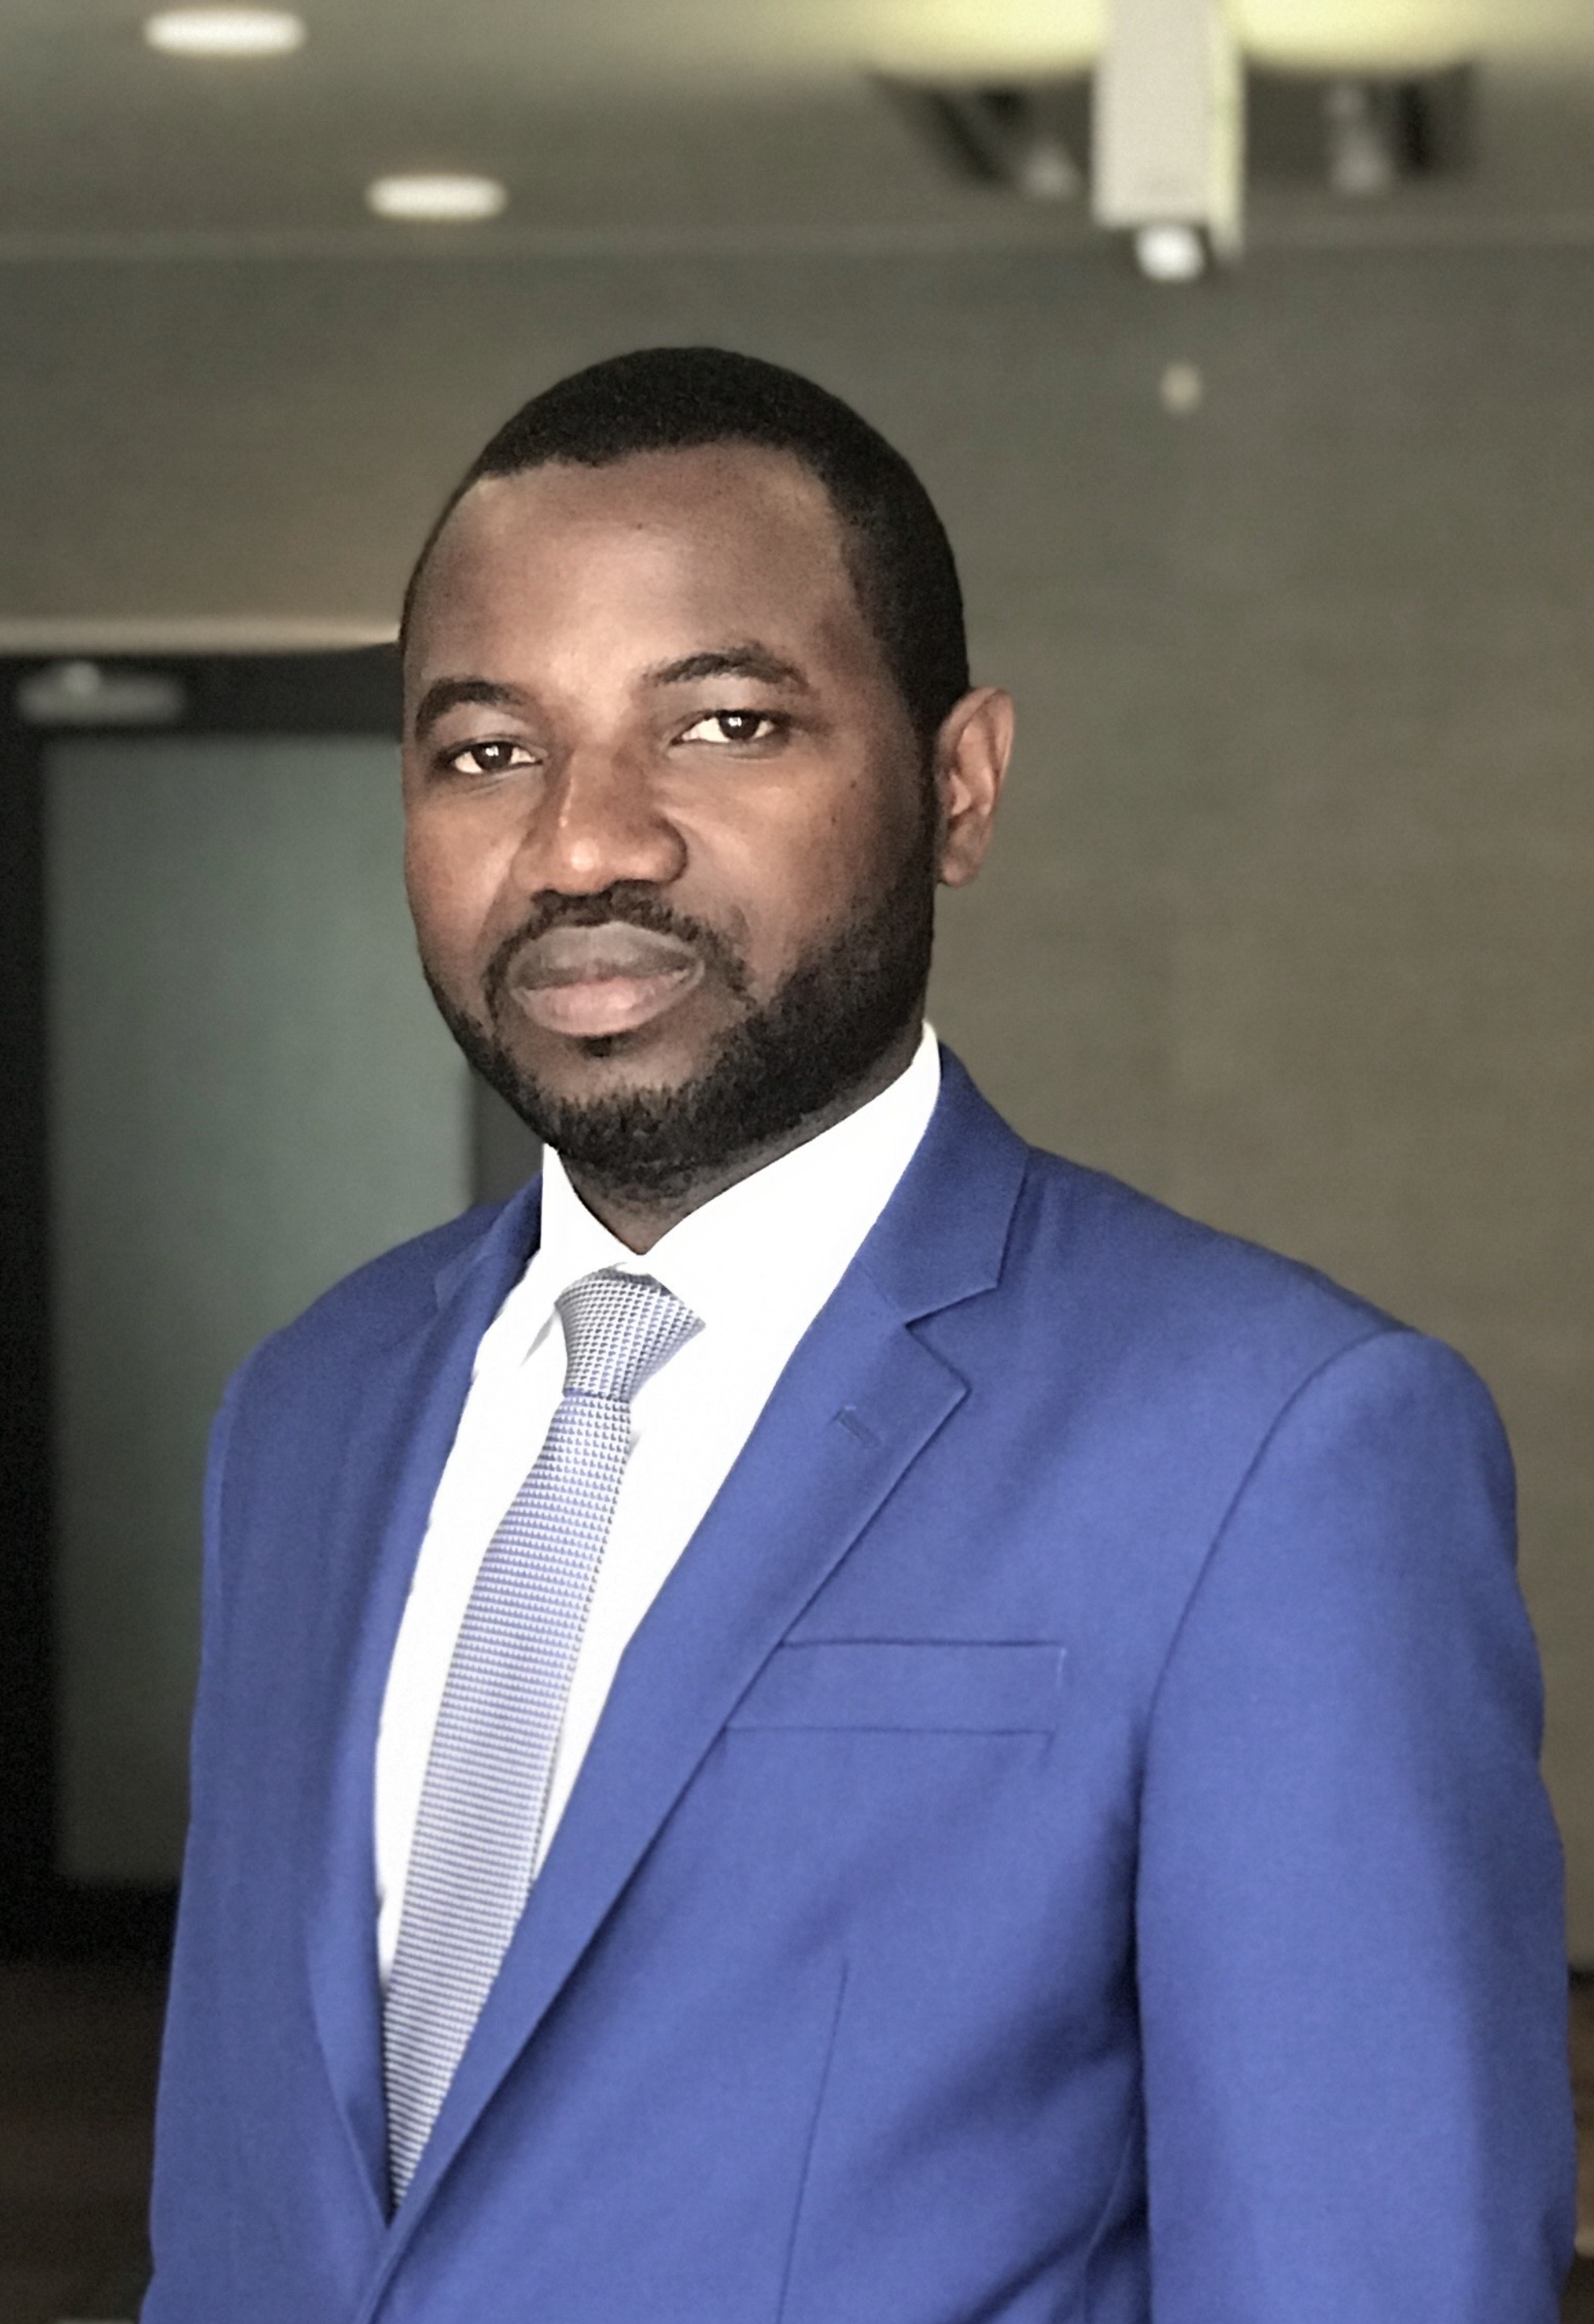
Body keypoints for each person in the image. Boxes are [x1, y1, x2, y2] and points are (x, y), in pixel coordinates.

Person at [144, 346, 1575, 2323]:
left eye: (722, 724)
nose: (582, 844)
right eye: (486, 750)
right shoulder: (307, 1408)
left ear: (958, 783)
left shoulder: (1270, 1446)